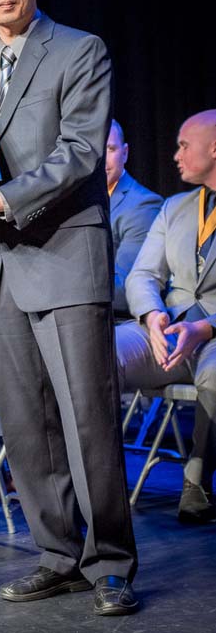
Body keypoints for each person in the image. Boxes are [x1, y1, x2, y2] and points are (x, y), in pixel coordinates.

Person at [0, 0, 138, 617]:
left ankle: (110, 563)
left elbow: (82, 150)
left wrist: (5, 199)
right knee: (26, 427)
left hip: (62, 257)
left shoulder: (80, 50)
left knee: (87, 420)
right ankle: (56, 555)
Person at [116, 108, 216, 524]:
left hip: (209, 331)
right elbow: (141, 274)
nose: (175, 154)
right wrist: (152, 314)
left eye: (183, 145)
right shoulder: (176, 207)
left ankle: (196, 479)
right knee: (94, 354)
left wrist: (204, 328)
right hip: (168, 327)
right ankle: (96, 480)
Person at [106, 119, 163, 319]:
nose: (101, 160)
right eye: (94, 150)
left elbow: (125, 288)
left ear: (125, 152)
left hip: (118, 319)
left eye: (110, 149)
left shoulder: (143, 205)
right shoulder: (76, 199)